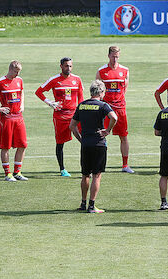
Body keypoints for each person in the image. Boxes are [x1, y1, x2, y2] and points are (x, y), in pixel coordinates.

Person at [69, 80, 118, 213]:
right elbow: (114, 117)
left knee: (85, 175)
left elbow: (72, 126)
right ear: (101, 92)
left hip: (86, 144)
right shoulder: (103, 105)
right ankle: (92, 205)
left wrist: (81, 139)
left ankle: (83, 203)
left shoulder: (82, 105)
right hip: (99, 144)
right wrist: (108, 130)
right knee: (97, 175)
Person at [35, 57, 84, 177]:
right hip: (60, 116)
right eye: (67, 66)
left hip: (75, 115)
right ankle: (62, 169)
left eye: (71, 66)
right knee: (60, 143)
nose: (69, 68)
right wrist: (49, 102)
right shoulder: (54, 80)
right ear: (61, 66)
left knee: (84, 140)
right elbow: (38, 92)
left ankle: (85, 167)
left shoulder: (77, 79)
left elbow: (81, 98)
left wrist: (81, 112)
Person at [0, 60, 28, 181]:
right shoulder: (0, 82)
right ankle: (7, 173)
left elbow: (21, 91)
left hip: (18, 116)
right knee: (5, 146)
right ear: (10, 69)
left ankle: (17, 172)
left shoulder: (19, 80)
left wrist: (22, 104)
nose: (17, 74)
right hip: (7, 117)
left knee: (23, 144)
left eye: (19, 72)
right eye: (15, 72)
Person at [96, 46, 134, 173]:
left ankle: (125, 165)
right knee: (101, 135)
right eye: (113, 56)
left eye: (117, 56)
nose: (115, 58)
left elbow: (125, 89)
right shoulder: (101, 71)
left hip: (120, 108)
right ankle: (99, 165)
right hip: (106, 108)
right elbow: (98, 90)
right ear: (108, 56)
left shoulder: (125, 70)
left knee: (123, 136)